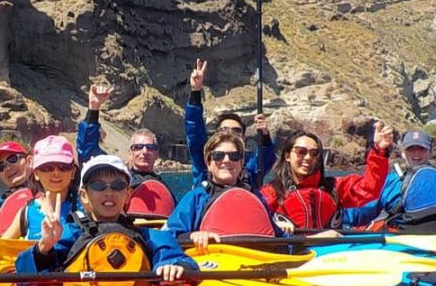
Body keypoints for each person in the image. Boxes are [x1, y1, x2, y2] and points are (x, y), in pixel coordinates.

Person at [15, 154, 194, 284]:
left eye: (118, 186)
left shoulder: (149, 237)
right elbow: (25, 278)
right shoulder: (71, 234)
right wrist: (43, 247)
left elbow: (181, 261)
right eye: (98, 186)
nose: (109, 192)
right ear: (84, 196)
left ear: (128, 194)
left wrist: (173, 267)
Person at [341, 129, 436, 233]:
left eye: (421, 149)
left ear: (430, 152)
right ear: (402, 152)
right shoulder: (389, 182)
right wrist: (336, 216)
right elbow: (363, 213)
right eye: (411, 149)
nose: (416, 154)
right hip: (408, 238)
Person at [167, 130, 289, 252]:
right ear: (208, 163)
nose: (226, 160)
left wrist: (288, 232)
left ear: (241, 163)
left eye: (234, 156)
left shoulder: (254, 197)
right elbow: (171, 234)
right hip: (212, 262)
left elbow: (279, 237)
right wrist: (191, 236)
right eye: (218, 155)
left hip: (258, 262)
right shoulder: (195, 198)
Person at [263, 124, 394, 231]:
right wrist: (275, 226)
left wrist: (379, 151)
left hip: (328, 254)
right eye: (301, 152)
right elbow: (255, 219)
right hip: (291, 253)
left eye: (314, 153)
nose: (308, 157)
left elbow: (369, 187)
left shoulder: (334, 188)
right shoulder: (272, 192)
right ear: (287, 156)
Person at [77, 84, 176, 217]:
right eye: (138, 147)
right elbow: (87, 152)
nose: (145, 152)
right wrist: (94, 109)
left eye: (150, 147)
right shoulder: (117, 176)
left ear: (156, 153)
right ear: (130, 153)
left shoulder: (164, 187)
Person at [186, 58, 275, 188]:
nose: (230, 134)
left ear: (244, 138)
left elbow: (265, 158)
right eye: (224, 130)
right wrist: (195, 91)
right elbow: (194, 131)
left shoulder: (250, 169)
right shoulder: (204, 161)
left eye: (236, 131)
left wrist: (265, 137)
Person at [0, 135, 82, 259]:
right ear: (36, 173)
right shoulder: (27, 211)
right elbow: (0, 247)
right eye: (47, 167)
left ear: (73, 172)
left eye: (63, 167)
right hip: (38, 275)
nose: (55, 172)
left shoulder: (87, 207)